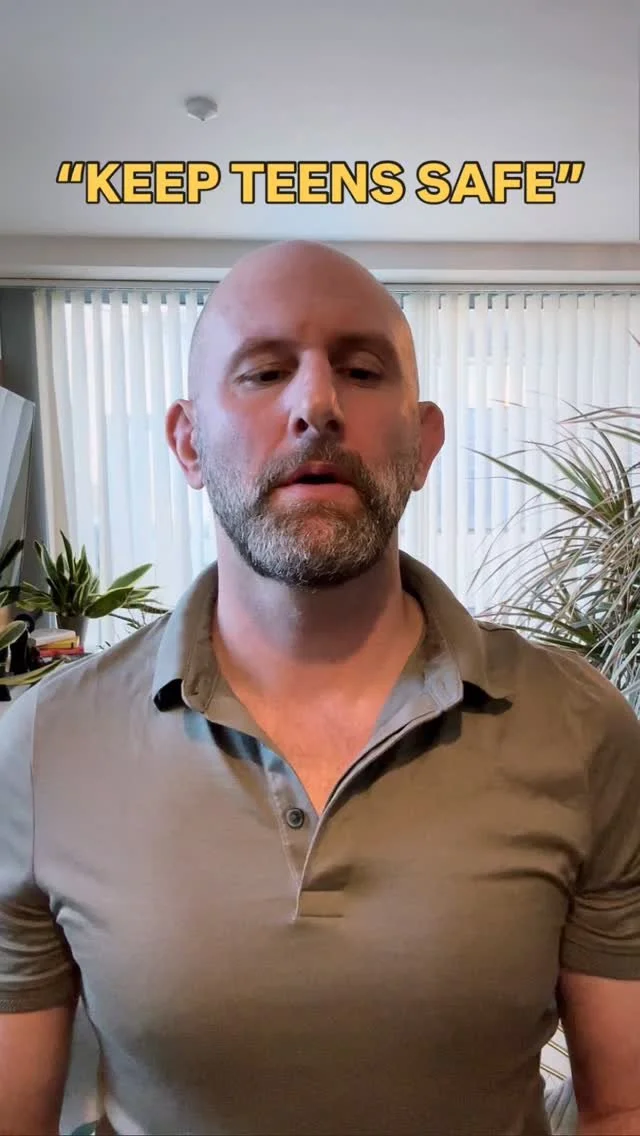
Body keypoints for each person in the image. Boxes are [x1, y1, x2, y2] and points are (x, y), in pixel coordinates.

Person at [0, 240, 639, 1136]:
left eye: (361, 370)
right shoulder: (46, 746)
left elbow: (623, 1105)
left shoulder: (579, 729)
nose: (317, 406)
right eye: (264, 372)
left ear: (424, 442)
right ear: (187, 441)